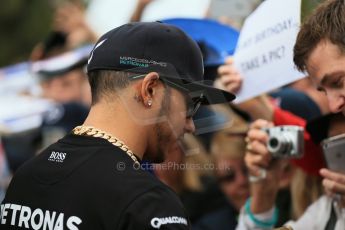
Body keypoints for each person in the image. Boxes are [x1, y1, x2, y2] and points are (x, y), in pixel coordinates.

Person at [0, 22, 235, 229]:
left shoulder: (26, 177)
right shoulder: (147, 202)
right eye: (190, 104)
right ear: (149, 89)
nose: (191, 125)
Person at [237, 1, 345, 229]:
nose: (334, 105)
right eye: (324, 91)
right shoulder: (330, 208)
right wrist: (263, 197)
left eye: (339, 82)